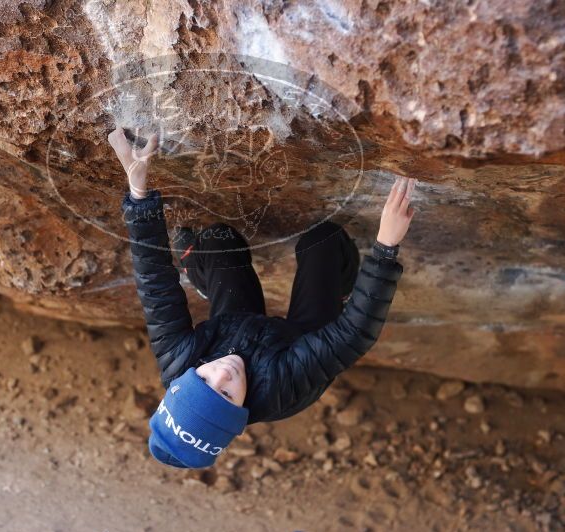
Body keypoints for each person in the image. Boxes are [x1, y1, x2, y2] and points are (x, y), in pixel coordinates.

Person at [108, 126, 416, 469]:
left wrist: (138, 193)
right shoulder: (283, 387)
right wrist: (386, 247)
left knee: (217, 239)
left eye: (203, 379)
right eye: (225, 394)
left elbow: (154, 284)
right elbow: (352, 335)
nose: (222, 374)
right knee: (323, 241)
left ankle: (199, 270)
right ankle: (338, 288)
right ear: (240, 413)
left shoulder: (178, 359)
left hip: (235, 326)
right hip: (295, 341)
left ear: (184, 377)